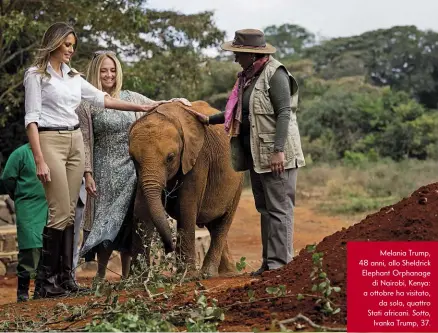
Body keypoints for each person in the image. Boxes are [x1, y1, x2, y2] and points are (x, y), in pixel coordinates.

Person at [24, 22, 162, 299]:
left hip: (75, 141)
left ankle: (65, 280)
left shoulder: (74, 77)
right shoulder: (36, 76)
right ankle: (45, 284)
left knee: (70, 211)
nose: (71, 50)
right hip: (51, 140)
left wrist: (143, 106)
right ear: (54, 43)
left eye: (73, 45)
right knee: (59, 211)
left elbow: (104, 100)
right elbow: (32, 119)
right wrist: (39, 158)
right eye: (66, 45)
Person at [199, 29, 305, 275]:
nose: (235, 57)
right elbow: (238, 113)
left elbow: (284, 114)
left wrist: (279, 151)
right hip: (257, 155)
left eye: (237, 53)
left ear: (250, 53)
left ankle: (281, 266)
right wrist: (207, 119)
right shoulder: (248, 77)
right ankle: (269, 264)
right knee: (266, 209)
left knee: (280, 210)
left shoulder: (275, 74)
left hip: (277, 155)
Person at [77, 50, 190, 280]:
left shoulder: (131, 97)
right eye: (103, 71)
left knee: (131, 221)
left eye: (113, 70)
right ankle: (100, 276)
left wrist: (179, 102)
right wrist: (88, 173)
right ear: (95, 73)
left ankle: (128, 276)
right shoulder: (87, 103)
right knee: (105, 221)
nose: (109, 75)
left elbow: (157, 106)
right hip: (104, 170)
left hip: (132, 168)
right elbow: (85, 142)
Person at [0, 143, 48, 302]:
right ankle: (23, 292)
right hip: (27, 205)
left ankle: (41, 290)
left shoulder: (53, 148)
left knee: (47, 249)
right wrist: (18, 195)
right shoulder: (20, 153)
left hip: (50, 205)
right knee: (29, 247)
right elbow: (7, 178)